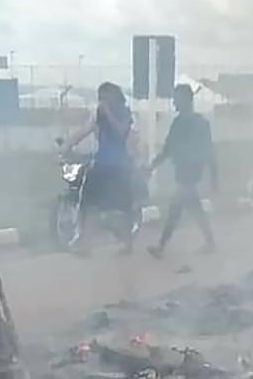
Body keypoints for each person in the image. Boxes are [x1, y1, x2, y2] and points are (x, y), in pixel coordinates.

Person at [147, 84, 218, 257]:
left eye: (177, 98)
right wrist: (214, 177)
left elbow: (169, 149)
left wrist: (152, 166)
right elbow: (170, 148)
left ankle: (161, 246)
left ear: (186, 100)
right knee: (194, 207)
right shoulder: (195, 123)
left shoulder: (187, 123)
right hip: (187, 172)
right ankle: (210, 242)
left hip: (188, 173)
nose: (174, 103)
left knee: (175, 208)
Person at [66, 82, 136, 253]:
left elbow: (121, 133)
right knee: (88, 204)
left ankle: (127, 243)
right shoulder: (99, 114)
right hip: (101, 164)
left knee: (122, 207)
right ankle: (85, 244)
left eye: (105, 96)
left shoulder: (125, 113)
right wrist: (67, 145)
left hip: (120, 166)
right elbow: (85, 130)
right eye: (100, 97)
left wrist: (109, 113)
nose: (102, 100)